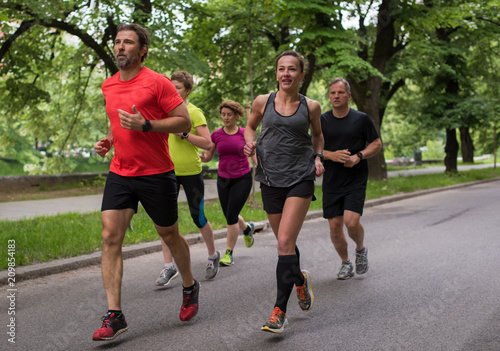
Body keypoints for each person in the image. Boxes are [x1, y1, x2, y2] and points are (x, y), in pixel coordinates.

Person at [92, 23, 199, 342]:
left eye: (128, 43)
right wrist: (108, 141)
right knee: (110, 236)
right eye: (117, 42)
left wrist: (147, 125)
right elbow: (117, 122)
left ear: (142, 51)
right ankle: (115, 314)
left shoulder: (158, 82)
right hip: (121, 172)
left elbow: (184, 121)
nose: (120, 47)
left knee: (169, 233)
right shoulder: (108, 86)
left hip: (156, 172)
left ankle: (190, 287)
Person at [244, 50, 324, 334]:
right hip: (269, 177)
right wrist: (249, 144)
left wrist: (318, 157)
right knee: (284, 243)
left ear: (302, 75)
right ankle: (300, 280)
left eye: (292, 69)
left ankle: (279, 311)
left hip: (300, 177)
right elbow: (250, 128)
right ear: (276, 73)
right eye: (281, 69)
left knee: (283, 244)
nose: (286, 74)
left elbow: (317, 135)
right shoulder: (262, 102)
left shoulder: (311, 106)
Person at [154, 71, 220, 286]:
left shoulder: (193, 112)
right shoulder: (163, 112)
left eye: (178, 87)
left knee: (197, 217)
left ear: (188, 90)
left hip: (191, 171)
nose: (173, 90)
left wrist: (183, 134)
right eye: (171, 87)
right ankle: (168, 266)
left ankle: (212, 256)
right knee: (166, 221)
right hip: (167, 172)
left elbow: (207, 143)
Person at [320, 77, 382, 280]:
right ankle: (346, 263)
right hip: (332, 180)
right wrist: (330, 155)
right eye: (332, 93)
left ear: (348, 95)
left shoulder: (361, 119)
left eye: (340, 92)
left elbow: (376, 143)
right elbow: (313, 148)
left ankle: (360, 249)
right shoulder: (321, 121)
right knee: (335, 226)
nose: (336, 96)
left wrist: (359, 156)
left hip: (355, 178)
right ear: (329, 96)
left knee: (351, 222)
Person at [200, 100, 256, 266]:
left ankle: (228, 253)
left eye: (229, 114)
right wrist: (203, 158)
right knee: (229, 214)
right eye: (223, 114)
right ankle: (246, 228)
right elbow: (209, 156)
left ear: (236, 116)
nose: (225, 117)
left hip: (242, 177)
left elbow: (253, 153)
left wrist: (260, 166)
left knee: (231, 216)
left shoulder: (244, 133)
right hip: (223, 179)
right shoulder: (216, 135)